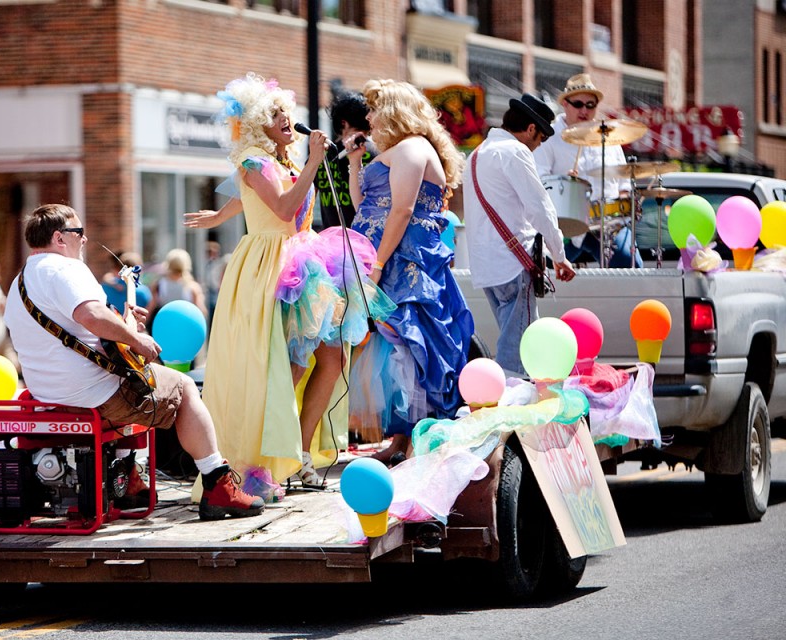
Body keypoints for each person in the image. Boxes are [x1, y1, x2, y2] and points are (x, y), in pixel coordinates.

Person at [184, 73, 393, 491]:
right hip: (275, 264)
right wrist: (315, 161)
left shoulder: (283, 162)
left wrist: (221, 215)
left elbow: (258, 194)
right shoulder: (253, 161)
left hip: (308, 256)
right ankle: (272, 458)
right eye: (273, 113)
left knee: (332, 360)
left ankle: (298, 450)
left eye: (285, 111)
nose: (284, 118)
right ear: (256, 124)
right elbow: (280, 207)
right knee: (288, 367)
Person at [3, 203, 264, 520]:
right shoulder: (64, 268)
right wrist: (137, 338)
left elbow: (77, 334)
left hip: (49, 395)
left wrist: (126, 326)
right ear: (59, 238)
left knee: (134, 381)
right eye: (79, 233)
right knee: (182, 387)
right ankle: (217, 484)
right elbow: (90, 315)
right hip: (93, 394)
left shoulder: (19, 283)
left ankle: (127, 480)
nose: (84, 240)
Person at [346, 79, 475, 463]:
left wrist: (378, 267)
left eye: (372, 109)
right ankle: (402, 437)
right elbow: (367, 206)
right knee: (395, 345)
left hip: (407, 262)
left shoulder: (413, 149)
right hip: (392, 257)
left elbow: (401, 211)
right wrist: (356, 164)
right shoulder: (401, 150)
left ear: (391, 111)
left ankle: (419, 435)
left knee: (413, 341)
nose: (367, 118)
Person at [463, 93, 576, 376]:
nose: (538, 146)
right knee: (516, 352)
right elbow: (541, 209)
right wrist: (560, 256)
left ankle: (518, 401)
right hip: (513, 264)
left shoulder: (476, 155)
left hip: (486, 267)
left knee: (521, 342)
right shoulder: (515, 152)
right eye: (541, 138)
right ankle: (507, 410)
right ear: (530, 129)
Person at [534, 73, 642, 268]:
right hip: (565, 223)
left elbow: (624, 179)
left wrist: (625, 197)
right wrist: (562, 182)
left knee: (630, 263)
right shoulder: (549, 136)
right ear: (565, 104)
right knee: (546, 272)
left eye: (590, 105)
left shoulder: (608, 136)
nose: (584, 110)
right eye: (578, 104)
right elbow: (538, 179)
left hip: (606, 222)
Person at [316, 89, 375, 229]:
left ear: (343, 123)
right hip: (369, 237)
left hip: (331, 241)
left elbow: (305, 202)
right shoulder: (379, 153)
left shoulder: (319, 155)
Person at [146, 248, 206, 319]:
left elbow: (150, 308)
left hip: (165, 322)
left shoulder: (159, 284)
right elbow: (200, 312)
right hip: (185, 323)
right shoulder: (192, 287)